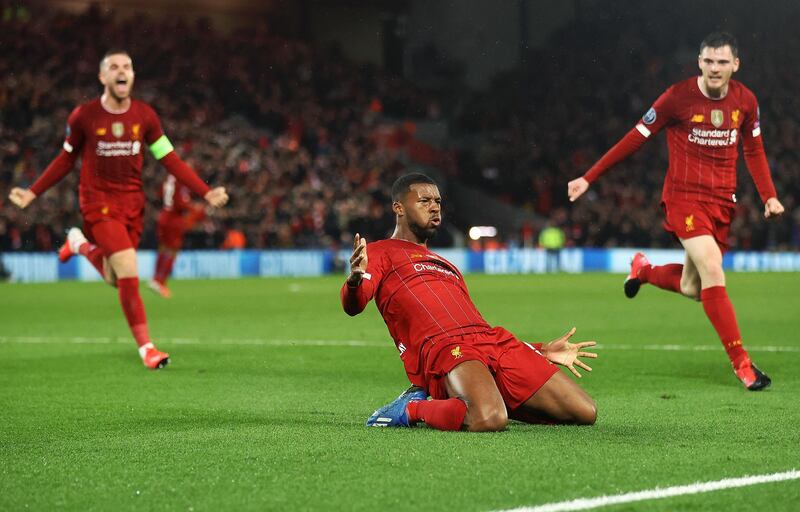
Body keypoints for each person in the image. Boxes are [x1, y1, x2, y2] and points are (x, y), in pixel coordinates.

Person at [567, 32, 784, 390]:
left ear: (735, 65)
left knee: (693, 287)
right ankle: (742, 364)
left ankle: (644, 270)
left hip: (722, 202)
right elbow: (635, 136)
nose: (715, 68)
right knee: (712, 267)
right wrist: (590, 177)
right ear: (699, 62)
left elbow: (755, 151)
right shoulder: (677, 97)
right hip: (684, 199)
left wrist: (769, 196)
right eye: (709, 61)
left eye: (722, 62)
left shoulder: (746, 101)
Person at [8, 49, 228, 369]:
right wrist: (32, 192)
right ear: (103, 77)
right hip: (98, 204)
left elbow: (169, 158)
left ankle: (79, 244)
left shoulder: (145, 116)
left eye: (127, 67)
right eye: (114, 67)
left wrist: (205, 192)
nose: (121, 71)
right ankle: (147, 349)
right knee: (129, 271)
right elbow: (66, 159)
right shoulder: (84, 116)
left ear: (133, 75)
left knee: (116, 278)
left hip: (132, 205)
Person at [341, 173, 598, 432]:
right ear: (399, 207)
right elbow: (354, 304)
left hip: (493, 342)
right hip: (447, 347)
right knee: (488, 419)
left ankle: (483, 396)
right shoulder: (378, 251)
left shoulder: (447, 265)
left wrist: (541, 350)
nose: (434, 207)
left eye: (438, 202)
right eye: (424, 200)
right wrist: (353, 281)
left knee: (585, 411)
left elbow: (473, 324)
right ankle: (410, 408)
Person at [149, 174, 207, 298]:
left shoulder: (168, 178)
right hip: (174, 220)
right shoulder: (181, 181)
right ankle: (161, 282)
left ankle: (155, 278)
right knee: (173, 251)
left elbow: (159, 194)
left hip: (164, 215)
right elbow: (180, 203)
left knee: (163, 248)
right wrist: (194, 207)